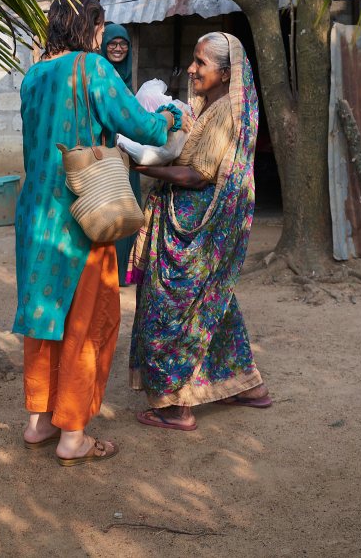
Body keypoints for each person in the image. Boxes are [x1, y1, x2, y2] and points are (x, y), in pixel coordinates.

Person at [14, 0, 183, 464]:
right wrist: (172, 115)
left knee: (44, 315)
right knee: (86, 320)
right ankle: (73, 434)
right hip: (83, 213)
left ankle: (39, 421)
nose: (103, 35)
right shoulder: (92, 68)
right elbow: (144, 128)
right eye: (100, 26)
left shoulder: (33, 76)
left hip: (35, 216)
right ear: (87, 27)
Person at [128, 32, 270, 431]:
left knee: (171, 306)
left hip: (193, 230)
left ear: (225, 73)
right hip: (195, 227)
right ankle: (246, 385)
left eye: (200, 62)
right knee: (212, 300)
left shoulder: (225, 113)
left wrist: (144, 167)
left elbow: (197, 175)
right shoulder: (214, 106)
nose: (191, 69)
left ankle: (175, 406)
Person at [101, 23, 141, 286]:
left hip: (127, 157)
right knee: (107, 212)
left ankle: (124, 271)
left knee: (128, 210)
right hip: (105, 157)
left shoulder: (128, 82)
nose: (118, 48)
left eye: (123, 44)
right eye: (112, 43)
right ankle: (106, 272)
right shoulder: (100, 78)